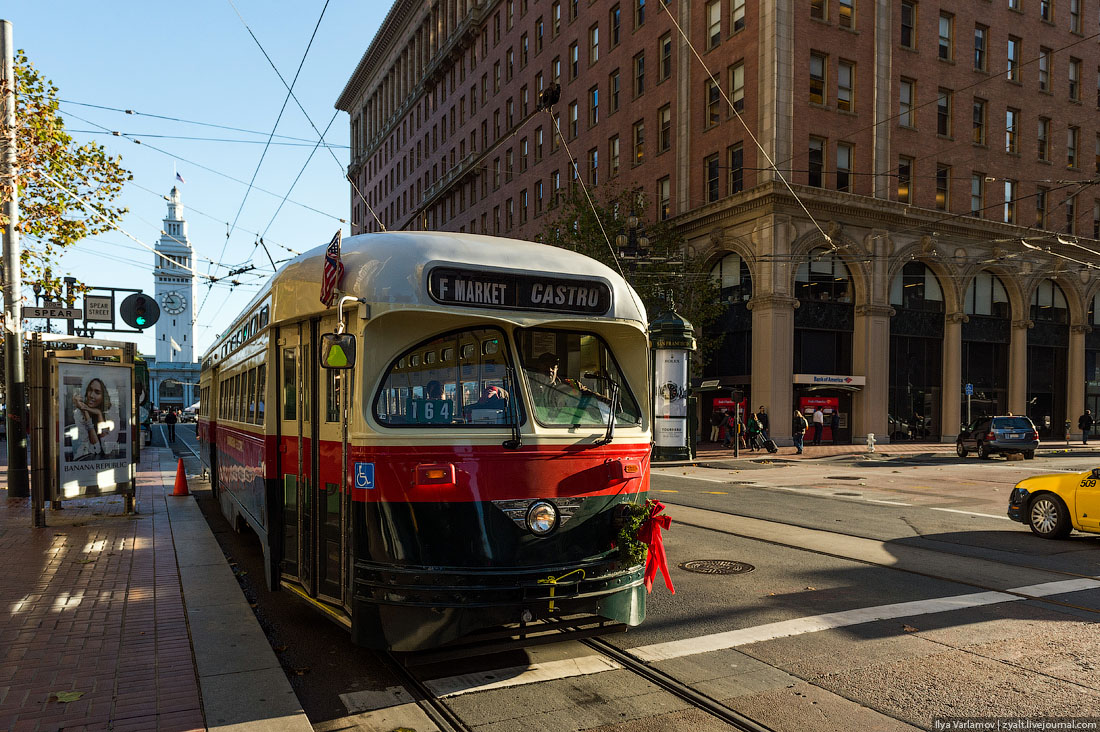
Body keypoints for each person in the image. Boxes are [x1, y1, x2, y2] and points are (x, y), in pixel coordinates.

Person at [72, 378, 115, 459]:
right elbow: (95, 449)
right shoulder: (79, 413)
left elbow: (107, 449)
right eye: (90, 390)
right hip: (83, 460)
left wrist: (99, 414)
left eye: (97, 392)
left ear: (103, 397)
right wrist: (85, 412)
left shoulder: (108, 415)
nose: (91, 395)